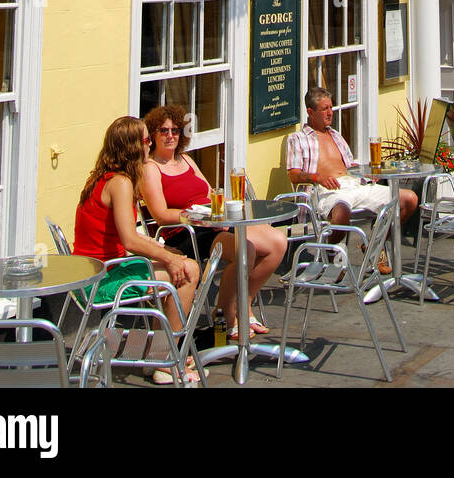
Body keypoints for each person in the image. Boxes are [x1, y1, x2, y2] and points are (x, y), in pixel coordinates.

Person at [141, 104, 286, 342]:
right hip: (186, 232)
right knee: (245, 249)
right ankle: (226, 316)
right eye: (163, 131)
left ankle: (243, 304)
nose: (170, 136)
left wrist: (227, 207)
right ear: (153, 135)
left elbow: (209, 193)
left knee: (278, 241)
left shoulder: (186, 160)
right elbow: (160, 214)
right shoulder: (150, 168)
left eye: (175, 130)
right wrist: (199, 217)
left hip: (212, 222)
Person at [74, 115, 202, 384]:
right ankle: (165, 360)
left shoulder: (102, 177)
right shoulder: (119, 183)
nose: (149, 145)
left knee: (177, 261)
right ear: (133, 147)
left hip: (93, 269)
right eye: (146, 140)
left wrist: (167, 256)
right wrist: (167, 257)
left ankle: (159, 352)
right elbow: (130, 240)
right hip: (103, 278)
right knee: (189, 271)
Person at [286, 87, 417, 250]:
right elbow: (293, 175)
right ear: (310, 112)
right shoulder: (297, 139)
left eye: (331, 107)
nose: (330, 112)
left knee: (409, 199)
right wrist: (317, 177)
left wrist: (367, 173)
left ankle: (374, 247)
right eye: (324, 109)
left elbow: (349, 166)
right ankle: (331, 257)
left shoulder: (335, 135)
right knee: (342, 213)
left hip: (355, 186)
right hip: (327, 192)